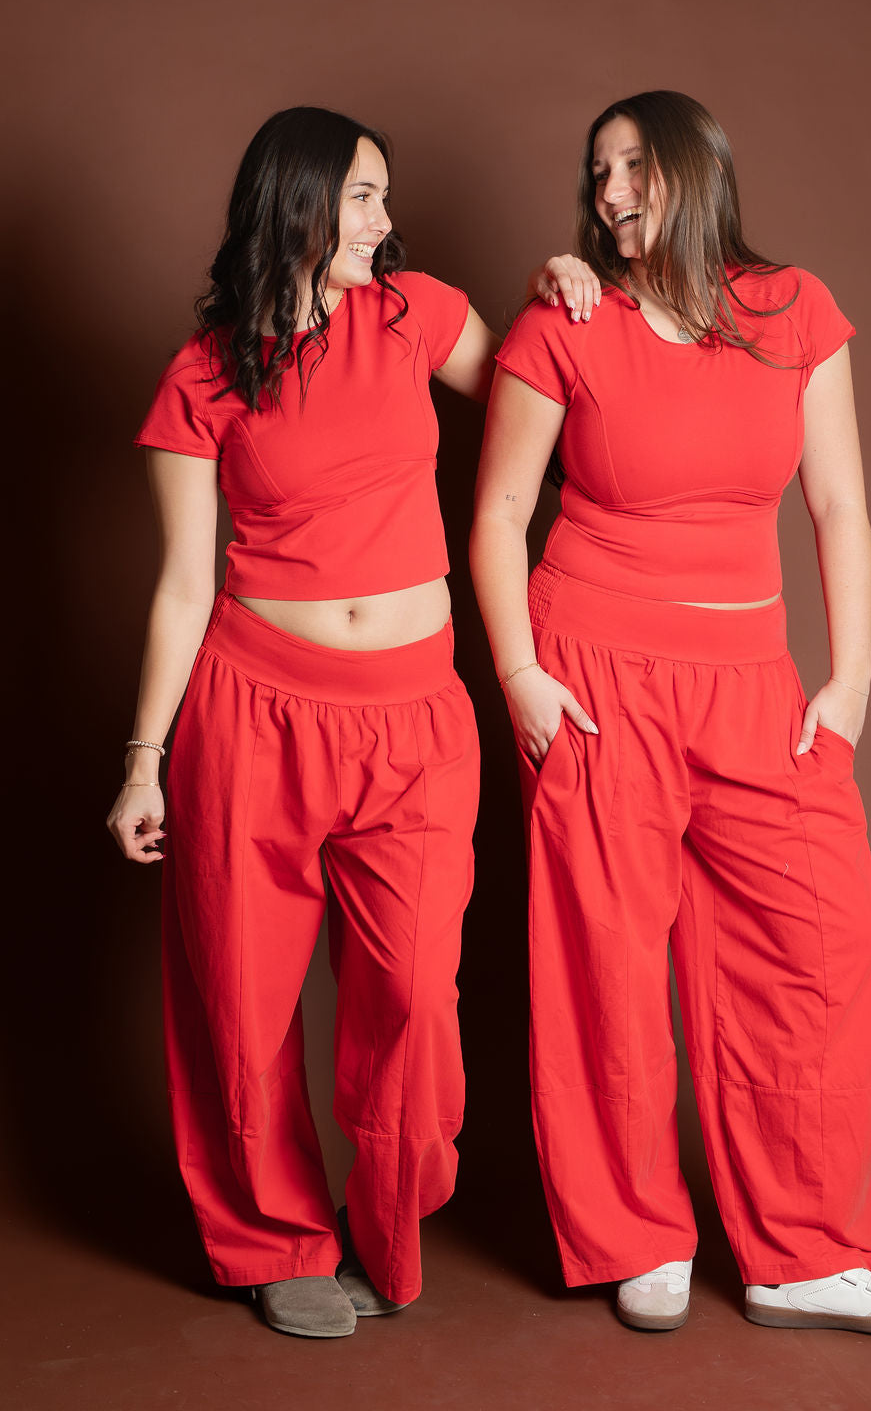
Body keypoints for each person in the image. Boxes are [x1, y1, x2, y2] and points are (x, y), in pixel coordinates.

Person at [106, 106, 599, 1339]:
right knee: (242, 998)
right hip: (253, 713)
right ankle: (275, 1241)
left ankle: (386, 1220)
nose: (384, 219)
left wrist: (560, 295)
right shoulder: (204, 374)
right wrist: (143, 762)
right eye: (363, 196)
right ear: (299, 203)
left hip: (415, 718)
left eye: (384, 196)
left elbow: (544, 398)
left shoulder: (414, 314)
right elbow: (181, 585)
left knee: (415, 999)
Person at [470, 90, 871, 1335]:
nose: (610, 190)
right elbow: (497, 515)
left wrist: (848, 681)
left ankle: (806, 1254)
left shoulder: (795, 310)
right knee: (607, 960)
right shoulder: (566, 318)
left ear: (696, 170)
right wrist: (520, 676)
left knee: (818, 949)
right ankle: (636, 1234)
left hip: (753, 679)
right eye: (598, 171)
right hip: (593, 673)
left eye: (634, 164)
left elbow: (838, 506)